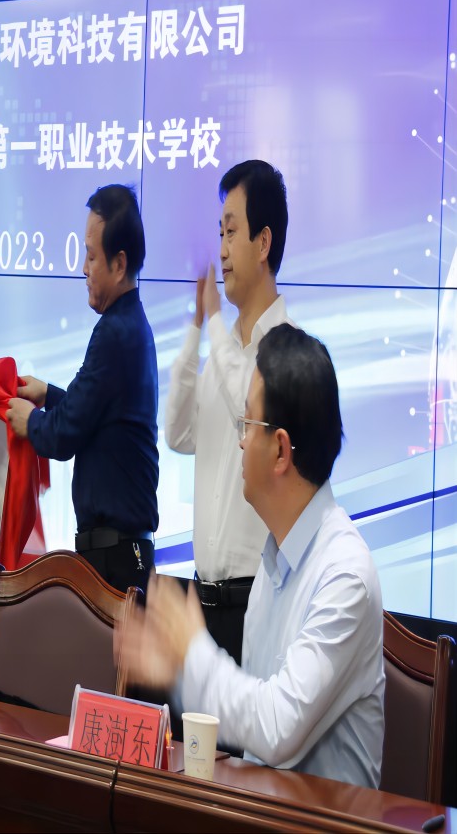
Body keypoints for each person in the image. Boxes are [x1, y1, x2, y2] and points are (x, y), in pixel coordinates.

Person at [117, 324, 385, 789]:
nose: (240, 441)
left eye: (247, 423)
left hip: (326, 818)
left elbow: (276, 727)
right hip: (265, 807)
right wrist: (179, 670)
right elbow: (253, 716)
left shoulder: (345, 575)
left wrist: (191, 652)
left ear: (280, 450)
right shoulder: (275, 557)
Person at [165, 159, 294, 665]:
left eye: (232, 232)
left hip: (254, 609)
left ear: (263, 244)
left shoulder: (288, 349)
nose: (221, 250)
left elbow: (249, 407)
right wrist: (197, 327)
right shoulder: (222, 349)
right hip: (200, 602)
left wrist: (216, 323)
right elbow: (177, 433)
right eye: (219, 233)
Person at [6, 184, 159, 594]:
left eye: (91, 256)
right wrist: (48, 394)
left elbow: (64, 434)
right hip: (121, 553)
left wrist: (30, 422)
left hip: (115, 558)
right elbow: (95, 413)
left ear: (119, 264)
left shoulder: (115, 332)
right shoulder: (130, 325)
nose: (83, 268)